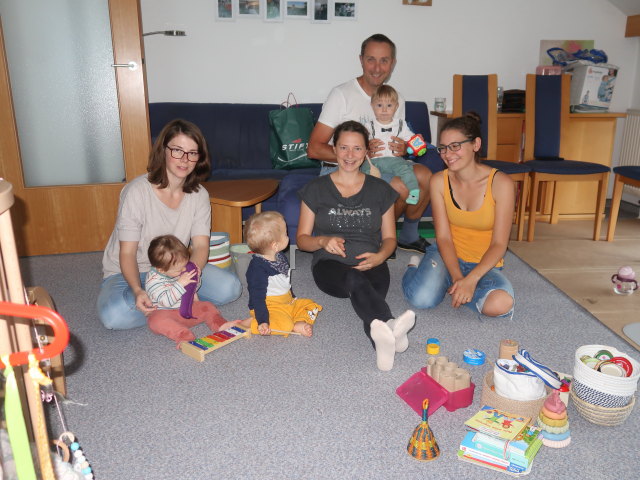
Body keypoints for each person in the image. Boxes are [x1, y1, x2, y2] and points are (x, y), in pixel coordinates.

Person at [97, 119, 242, 330]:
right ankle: (173, 307)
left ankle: (165, 307)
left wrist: (191, 277)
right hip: (133, 270)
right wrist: (138, 290)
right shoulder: (136, 191)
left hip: (177, 270)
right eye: (177, 150)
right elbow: (127, 253)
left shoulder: (199, 195)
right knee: (115, 317)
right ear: (163, 151)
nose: (185, 159)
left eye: (193, 153)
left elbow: (201, 246)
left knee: (231, 288)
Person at [298, 120, 416, 371]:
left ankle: (384, 342)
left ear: (366, 152)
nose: (350, 155)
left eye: (357, 149)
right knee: (354, 279)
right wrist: (322, 240)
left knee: (367, 298)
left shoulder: (380, 189)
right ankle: (391, 324)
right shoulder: (315, 189)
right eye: (343, 148)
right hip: (329, 267)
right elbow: (302, 240)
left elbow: (390, 239)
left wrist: (381, 256)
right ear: (335, 149)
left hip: (373, 262)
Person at [307, 33, 431, 254]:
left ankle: (409, 235)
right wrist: (356, 154)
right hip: (343, 168)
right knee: (400, 187)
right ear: (361, 59)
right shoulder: (342, 94)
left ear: (392, 64)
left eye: (384, 60)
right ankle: (381, 240)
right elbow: (314, 148)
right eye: (371, 59)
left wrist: (405, 148)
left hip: (384, 163)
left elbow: (398, 140)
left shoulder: (396, 98)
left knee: (428, 177)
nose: (377, 67)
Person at [402, 113, 515, 318]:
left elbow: (499, 244)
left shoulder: (502, 184)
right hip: (447, 256)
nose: (447, 154)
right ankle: (413, 267)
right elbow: (443, 237)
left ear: (476, 144)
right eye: (443, 148)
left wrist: (471, 280)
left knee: (501, 305)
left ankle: (459, 289)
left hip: (484, 264)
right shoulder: (438, 181)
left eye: (455, 146)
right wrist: (457, 277)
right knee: (422, 299)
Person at [145, 235, 241, 346]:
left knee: (207, 306)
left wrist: (196, 278)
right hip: (168, 313)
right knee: (155, 321)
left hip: (189, 309)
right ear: (161, 269)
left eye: (184, 265)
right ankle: (183, 336)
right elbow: (166, 301)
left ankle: (220, 324)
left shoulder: (178, 269)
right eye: (178, 270)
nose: (183, 270)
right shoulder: (153, 281)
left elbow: (192, 289)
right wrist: (180, 284)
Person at [242, 211, 322, 337]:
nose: (288, 236)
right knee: (284, 325)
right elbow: (257, 298)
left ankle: (297, 322)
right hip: (269, 307)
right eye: (285, 234)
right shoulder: (257, 269)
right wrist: (263, 320)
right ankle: (251, 323)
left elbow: (285, 281)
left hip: (287, 302)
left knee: (310, 305)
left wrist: (292, 297)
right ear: (275, 245)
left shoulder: (280, 257)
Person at [361, 84, 420, 205]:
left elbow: (411, 140)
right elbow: (361, 143)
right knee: (364, 172)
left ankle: (414, 191)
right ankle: (368, 196)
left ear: (396, 106)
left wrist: (418, 143)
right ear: (372, 106)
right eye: (379, 105)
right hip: (374, 161)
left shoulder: (401, 125)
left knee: (406, 170)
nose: (384, 110)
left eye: (389, 105)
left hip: (394, 160)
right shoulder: (368, 126)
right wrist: (366, 147)